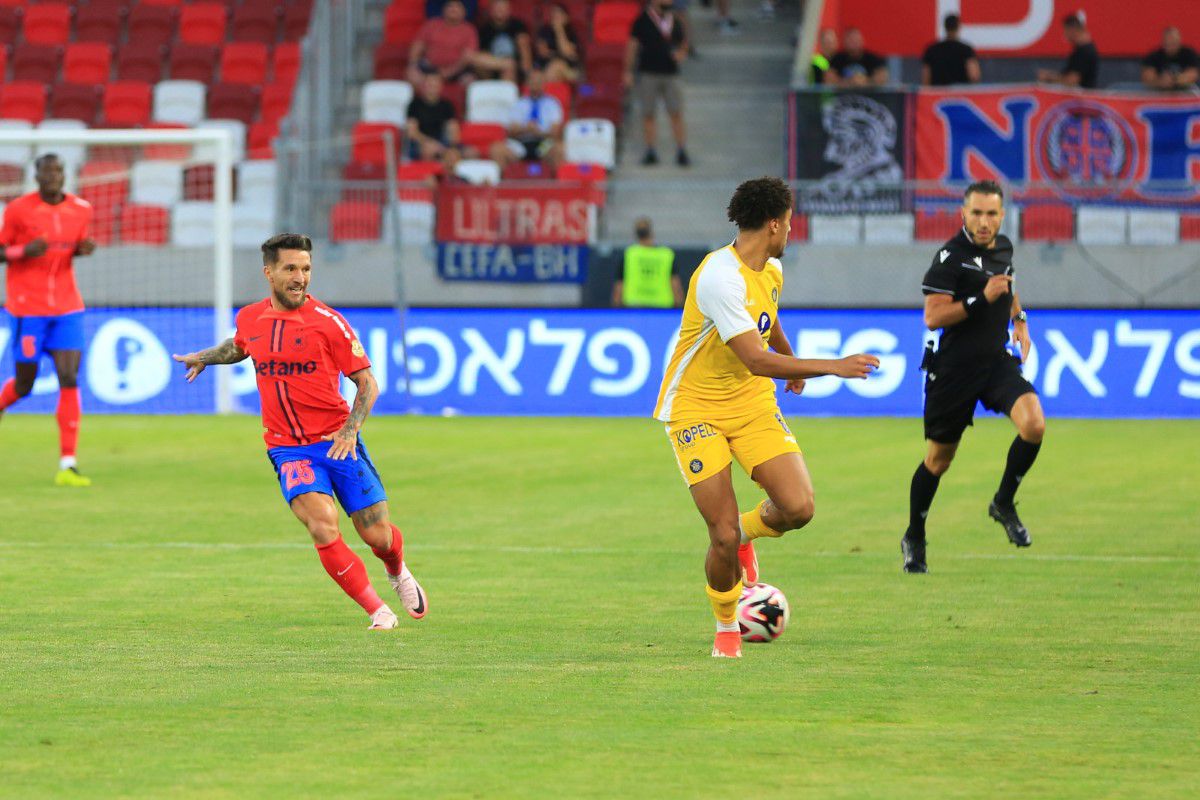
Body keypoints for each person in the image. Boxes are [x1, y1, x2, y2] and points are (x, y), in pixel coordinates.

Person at [653, 177, 879, 658]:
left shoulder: (771, 269)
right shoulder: (719, 277)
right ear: (774, 224)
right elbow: (755, 358)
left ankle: (746, 534)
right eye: (791, 222)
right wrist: (831, 366)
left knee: (798, 508)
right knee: (719, 535)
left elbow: (767, 318)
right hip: (696, 408)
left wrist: (790, 357)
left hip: (751, 403)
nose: (793, 231)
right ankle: (727, 627)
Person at [171, 234, 428, 630]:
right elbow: (239, 346)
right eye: (290, 268)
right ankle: (378, 611)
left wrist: (350, 431)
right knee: (322, 524)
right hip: (287, 448)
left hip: (336, 441)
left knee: (377, 535)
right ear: (269, 272)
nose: (300, 277)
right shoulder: (250, 318)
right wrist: (205, 357)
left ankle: (397, 570)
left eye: (306, 269)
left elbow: (367, 383)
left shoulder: (329, 323)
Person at [903, 181, 1045, 574]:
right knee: (938, 460)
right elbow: (933, 316)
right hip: (954, 370)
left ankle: (1003, 502)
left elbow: (1007, 286)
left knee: (1034, 424)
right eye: (977, 213)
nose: (984, 221)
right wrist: (980, 298)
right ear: (963, 214)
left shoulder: (1004, 248)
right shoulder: (949, 257)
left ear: (1002, 216)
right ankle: (915, 535)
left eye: (991, 214)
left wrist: (1019, 320)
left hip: (996, 363)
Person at [0, 153, 96, 486]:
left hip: (68, 307)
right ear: (37, 176)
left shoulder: (81, 209)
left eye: (58, 170)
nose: (53, 176)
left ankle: (68, 464)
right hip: (28, 308)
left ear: (64, 175)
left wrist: (81, 249)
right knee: (24, 385)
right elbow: (1, 251)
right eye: (47, 171)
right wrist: (22, 251)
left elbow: (71, 249)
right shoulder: (18, 210)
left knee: (69, 377)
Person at [625, 0, 691, 167]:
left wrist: (682, 53)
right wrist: (627, 71)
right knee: (648, 113)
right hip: (648, 73)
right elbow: (632, 46)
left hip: (671, 73)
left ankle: (681, 150)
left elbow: (684, 41)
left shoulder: (675, 19)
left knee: (676, 112)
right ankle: (650, 150)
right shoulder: (642, 20)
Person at [489, 68, 564, 169]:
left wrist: (538, 131)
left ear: (544, 84)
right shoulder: (519, 104)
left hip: (543, 143)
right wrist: (526, 128)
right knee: (497, 149)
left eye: (538, 82)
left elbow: (555, 132)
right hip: (521, 144)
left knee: (559, 149)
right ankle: (505, 178)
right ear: (528, 84)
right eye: (533, 82)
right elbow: (511, 131)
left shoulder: (552, 104)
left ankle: (557, 179)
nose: (536, 85)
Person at [612, 217, 682, 308]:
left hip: (634, 306)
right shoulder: (666, 255)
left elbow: (620, 284)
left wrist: (616, 305)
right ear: (651, 233)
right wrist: (679, 304)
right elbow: (675, 284)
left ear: (636, 235)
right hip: (661, 307)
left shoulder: (629, 254)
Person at [407, 0, 479, 85]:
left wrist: (450, 71)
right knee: (412, 74)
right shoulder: (431, 25)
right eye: (450, 6)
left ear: (464, 12)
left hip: (457, 70)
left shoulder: (469, 30)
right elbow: (417, 46)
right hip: (430, 67)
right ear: (443, 9)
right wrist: (413, 65)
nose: (453, 9)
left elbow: (468, 56)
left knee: (470, 80)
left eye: (458, 7)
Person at [405, 70, 462, 168]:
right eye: (430, 84)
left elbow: (453, 128)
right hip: (420, 143)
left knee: (464, 153)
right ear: (424, 86)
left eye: (436, 84)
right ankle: (430, 174)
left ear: (441, 86)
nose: (433, 87)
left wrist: (452, 146)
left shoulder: (447, 105)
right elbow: (412, 133)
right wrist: (430, 143)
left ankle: (453, 177)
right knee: (428, 150)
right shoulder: (414, 105)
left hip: (442, 142)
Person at [471, 0, 533, 83]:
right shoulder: (484, 29)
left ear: (509, 10)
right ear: (491, 10)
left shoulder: (518, 26)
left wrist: (527, 73)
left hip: (514, 69)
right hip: (493, 66)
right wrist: (503, 63)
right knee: (474, 59)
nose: (500, 10)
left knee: (508, 68)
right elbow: (483, 54)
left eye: (503, 7)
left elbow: (525, 50)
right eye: (497, 7)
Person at [1037, 12, 1098, 88]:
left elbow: (1072, 80)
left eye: (1065, 30)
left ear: (1072, 30)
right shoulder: (1081, 50)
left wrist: (1049, 78)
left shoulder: (1085, 52)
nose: (1064, 34)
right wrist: (1050, 75)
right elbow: (1069, 74)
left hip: (1080, 94)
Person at [922, 14, 980, 86]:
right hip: (961, 91)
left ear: (945, 27)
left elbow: (926, 79)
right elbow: (974, 76)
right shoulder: (966, 50)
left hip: (938, 91)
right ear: (958, 27)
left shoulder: (931, 50)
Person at [534, 3, 581, 83]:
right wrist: (557, 54)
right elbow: (543, 52)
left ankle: (544, 88)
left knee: (557, 66)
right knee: (536, 75)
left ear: (566, 18)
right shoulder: (544, 31)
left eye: (559, 14)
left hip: (568, 68)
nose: (556, 17)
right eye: (554, 14)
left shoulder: (571, 33)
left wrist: (559, 30)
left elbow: (568, 53)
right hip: (545, 66)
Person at [1141, 26, 1199, 90]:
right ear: (1163, 42)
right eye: (1168, 42)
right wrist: (1160, 81)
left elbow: (1194, 74)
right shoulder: (1154, 55)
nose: (1171, 46)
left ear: (1179, 41)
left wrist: (1175, 79)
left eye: (1173, 42)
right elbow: (1147, 76)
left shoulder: (1188, 53)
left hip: (1185, 90)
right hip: (1158, 91)